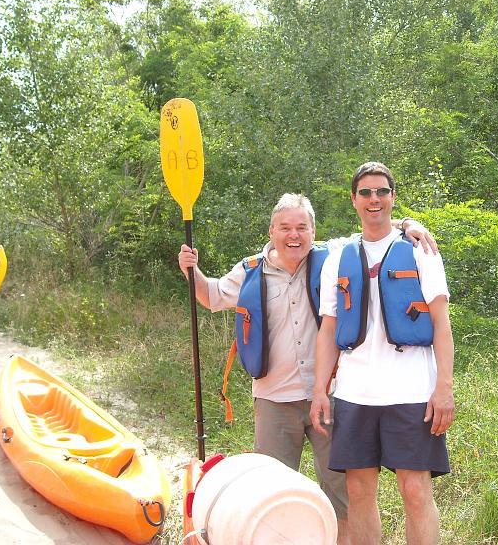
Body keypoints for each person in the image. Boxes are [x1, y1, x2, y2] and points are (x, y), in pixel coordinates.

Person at [178, 193, 437, 545]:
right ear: (272, 230)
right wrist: (192, 271)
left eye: (301, 227)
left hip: (327, 398)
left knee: (341, 498)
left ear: (314, 231)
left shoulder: (333, 256)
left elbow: (375, 229)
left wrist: (410, 225)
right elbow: (209, 296)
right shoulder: (251, 270)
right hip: (273, 401)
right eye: (285, 227)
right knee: (271, 498)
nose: (293, 235)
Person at [310, 162, 455, 545]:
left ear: (392, 196)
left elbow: (441, 323)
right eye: (365, 192)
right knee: (358, 493)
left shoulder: (420, 248)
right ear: (354, 200)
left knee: (415, 491)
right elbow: (328, 329)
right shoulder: (339, 256)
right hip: (355, 393)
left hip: (410, 392)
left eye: (382, 191)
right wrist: (320, 391)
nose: (374, 199)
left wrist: (444, 388)